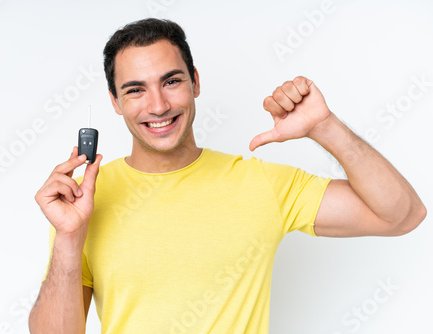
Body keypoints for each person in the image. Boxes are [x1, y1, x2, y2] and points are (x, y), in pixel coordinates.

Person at [28, 18, 426, 334]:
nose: (158, 104)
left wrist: (325, 127)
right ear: (115, 103)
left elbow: (402, 214)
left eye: (171, 81)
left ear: (195, 82)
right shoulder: (83, 203)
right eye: (135, 90)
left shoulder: (263, 185)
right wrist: (68, 238)